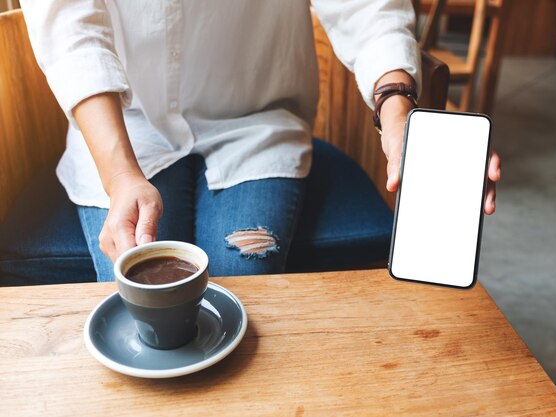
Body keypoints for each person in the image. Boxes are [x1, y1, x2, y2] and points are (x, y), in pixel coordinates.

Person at [21, 1, 501, 282]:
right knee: (147, 299)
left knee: (242, 295)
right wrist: (120, 175)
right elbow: (69, 25)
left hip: (255, 118)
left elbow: (365, 6)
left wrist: (397, 110)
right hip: (121, 126)